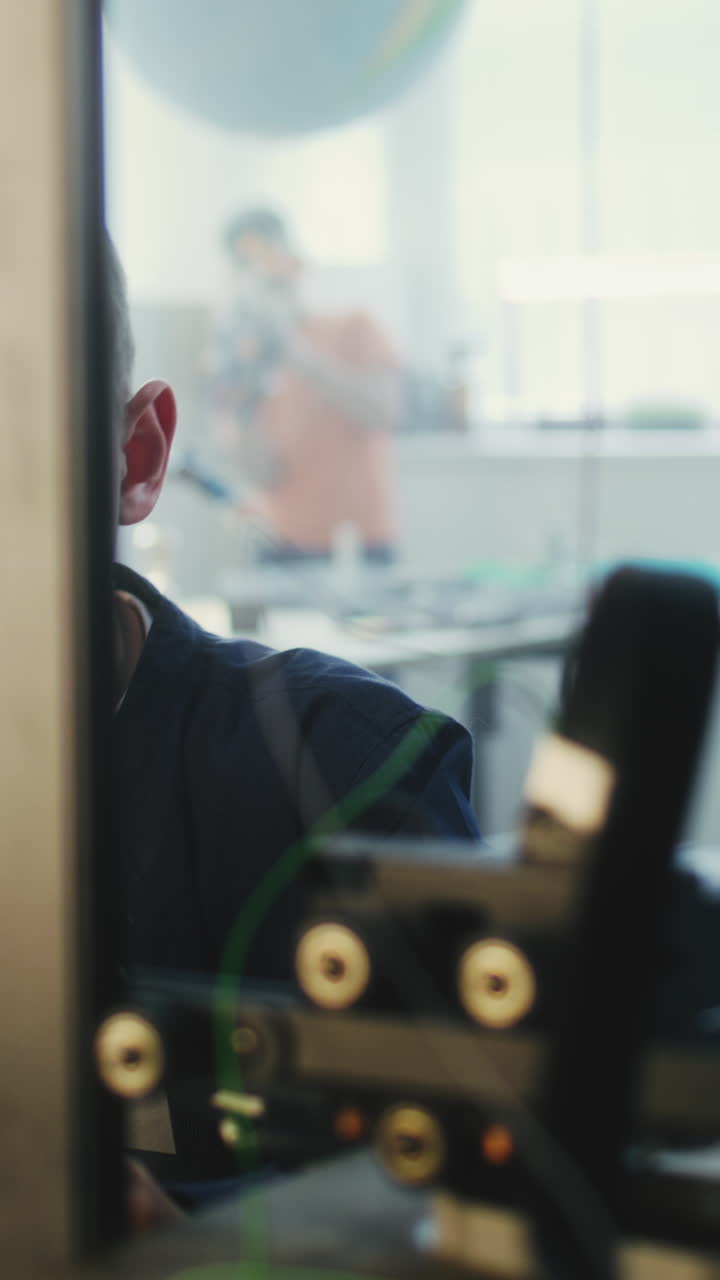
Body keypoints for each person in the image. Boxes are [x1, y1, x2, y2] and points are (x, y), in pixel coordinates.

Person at [107, 237, 478, 1200]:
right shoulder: (249, 354)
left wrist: (168, 1229)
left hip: (351, 538)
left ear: (136, 456)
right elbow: (263, 454)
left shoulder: (347, 782)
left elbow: (449, 1193)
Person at [204, 207, 400, 563]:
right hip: (280, 545)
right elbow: (261, 473)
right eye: (244, 266)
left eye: (266, 259)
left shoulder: (354, 325)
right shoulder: (244, 355)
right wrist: (239, 399)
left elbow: (383, 411)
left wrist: (295, 350)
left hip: (360, 544)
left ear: (294, 261)